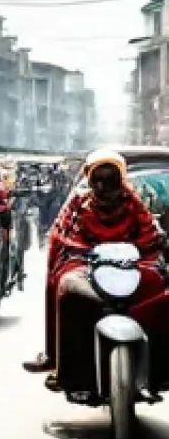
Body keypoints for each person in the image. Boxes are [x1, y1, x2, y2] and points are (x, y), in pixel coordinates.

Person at [23, 149, 168, 393]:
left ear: (120, 180)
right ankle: (62, 365)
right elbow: (62, 236)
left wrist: (147, 249)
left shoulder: (135, 203)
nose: (102, 186)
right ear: (89, 180)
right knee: (64, 286)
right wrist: (81, 253)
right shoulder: (78, 204)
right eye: (96, 180)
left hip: (130, 266)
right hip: (86, 264)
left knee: (160, 289)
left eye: (109, 179)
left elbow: (149, 235)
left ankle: (161, 369)